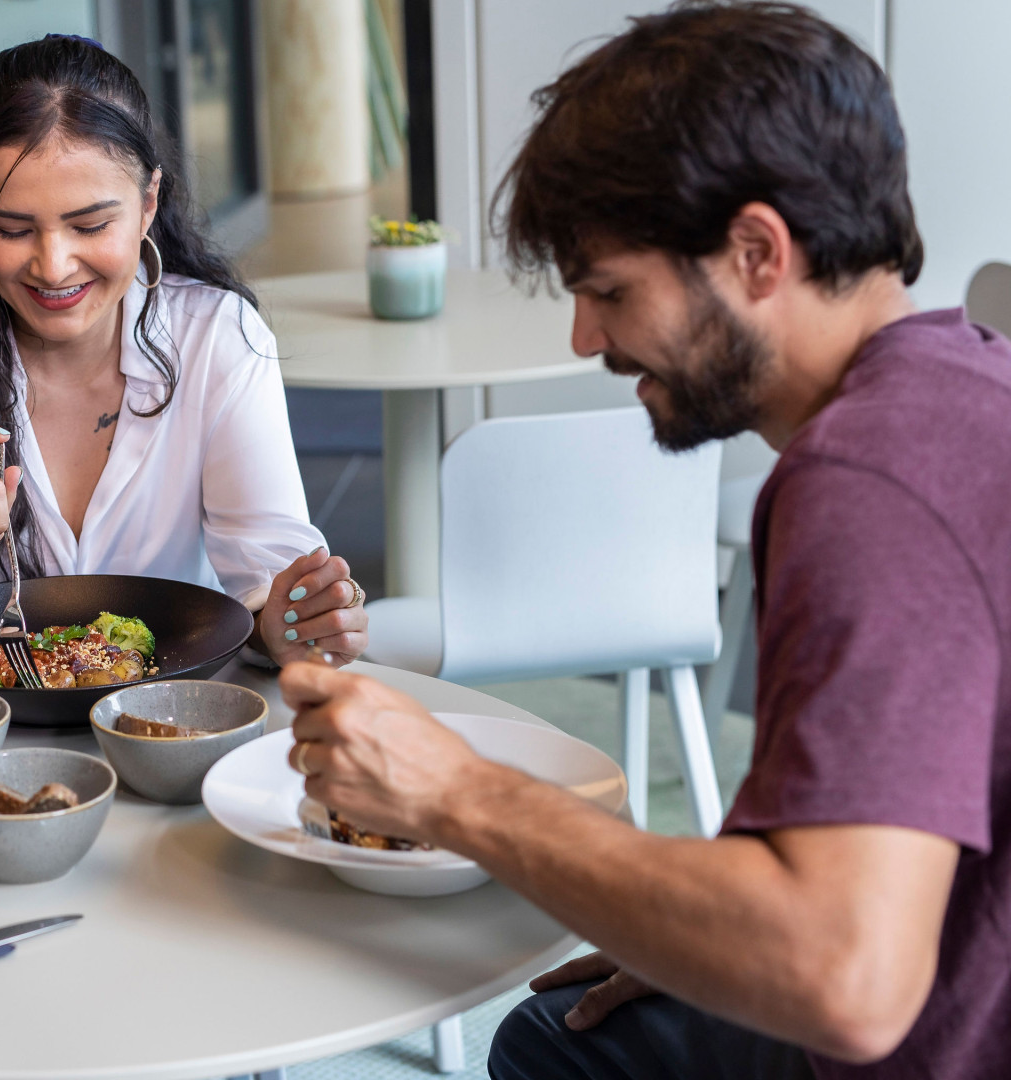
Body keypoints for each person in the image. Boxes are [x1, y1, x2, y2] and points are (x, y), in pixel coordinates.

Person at [278, 4, 1010, 1078]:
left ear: (758, 251)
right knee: (570, 1030)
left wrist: (456, 791)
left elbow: (849, 983)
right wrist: (707, 939)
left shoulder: (869, 485)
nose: (588, 340)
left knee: (554, 1052)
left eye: (610, 293)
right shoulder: (963, 380)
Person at [0, 34, 368, 674]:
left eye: (89, 226)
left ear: (148, 206)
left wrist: (293, 622)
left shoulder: (216, 339)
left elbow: (271, 586)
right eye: (13, 229)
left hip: (168, 740)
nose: (52, 266)